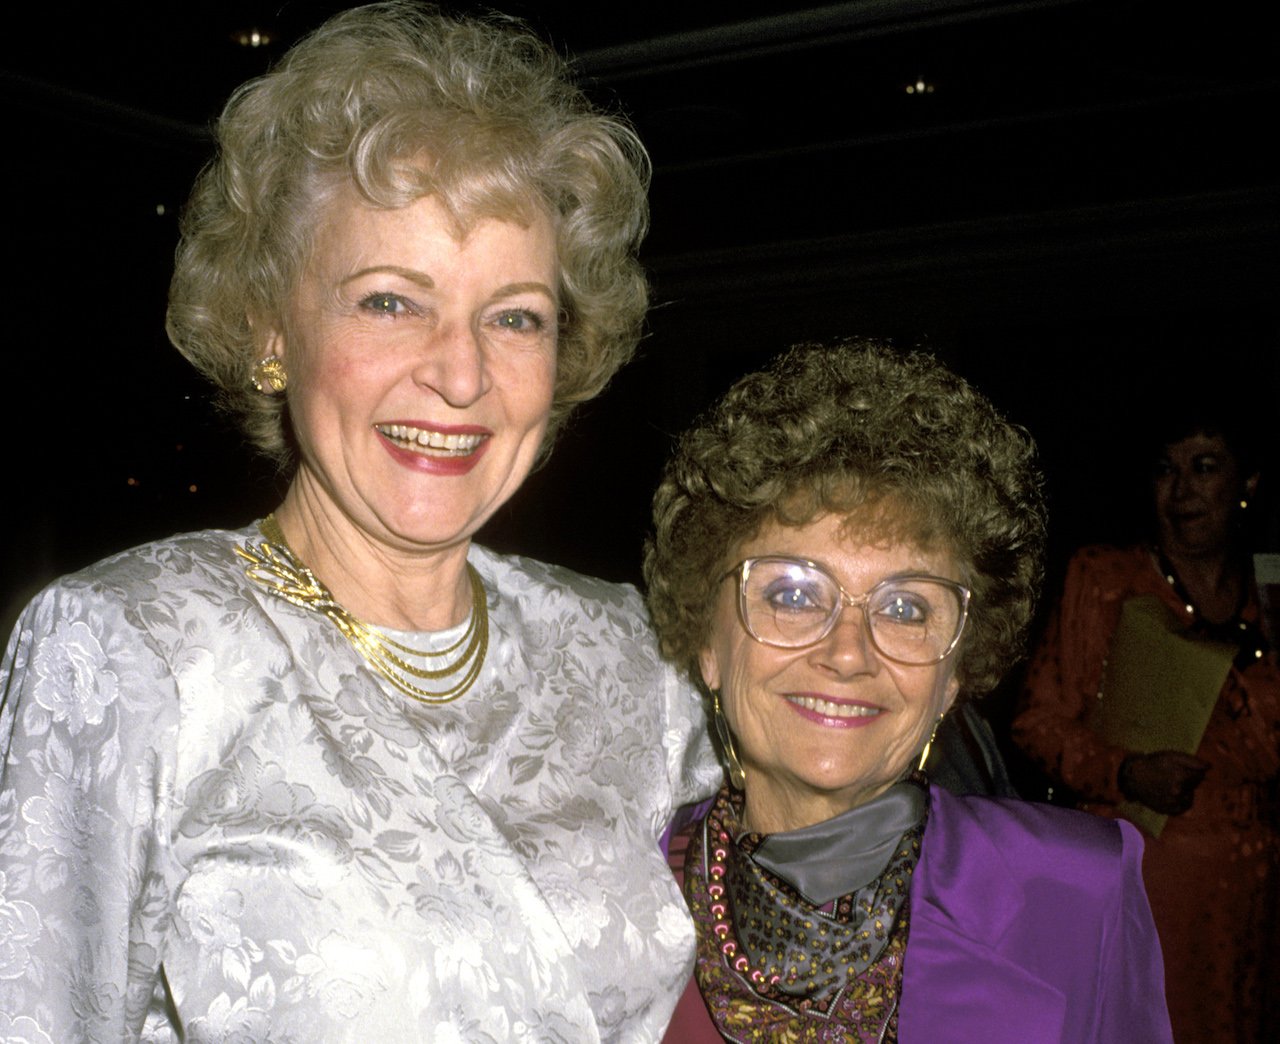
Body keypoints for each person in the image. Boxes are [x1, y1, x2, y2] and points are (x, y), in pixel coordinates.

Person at [0, 4, 719, 1040]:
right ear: (269, 333)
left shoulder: (629, 658)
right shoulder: (128, 651)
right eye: (390, 300)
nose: (461, 371)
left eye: (515, 316)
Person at [645, 341, 1173, 1042]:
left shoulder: (1079, 890)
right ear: (706, 642)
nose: (847, 652)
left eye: (906, 608)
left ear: (954, 671)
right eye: (795, 594)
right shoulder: (607, 896)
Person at [1013, 408, 1279, 1042]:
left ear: (1247, 483)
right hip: (1148, 880)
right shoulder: (1106, 578)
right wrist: (1126, 772)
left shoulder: (1270, 591)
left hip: (1255, 891)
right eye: (1166, 470)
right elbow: (1036, 723)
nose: (1182, 490)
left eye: (1205, 468)